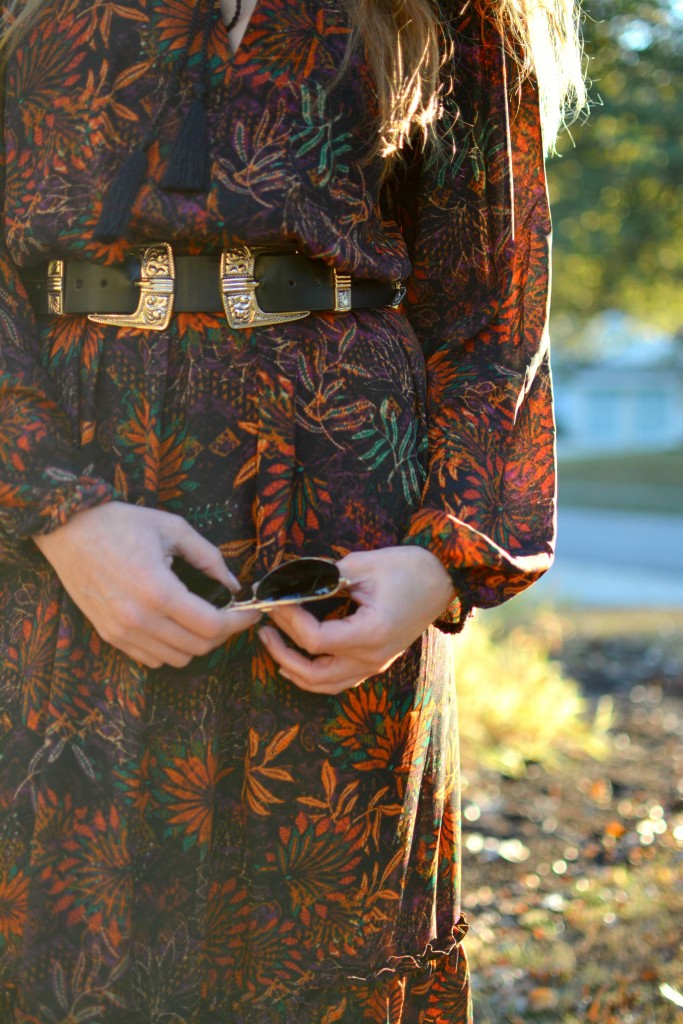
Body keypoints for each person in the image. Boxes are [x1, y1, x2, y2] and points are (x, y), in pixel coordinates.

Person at [0, 0, 585, 1019]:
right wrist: (56, 508)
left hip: (347, 523)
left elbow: (494, 309)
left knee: (312, 950)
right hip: (55, 513)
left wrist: (437, 559)